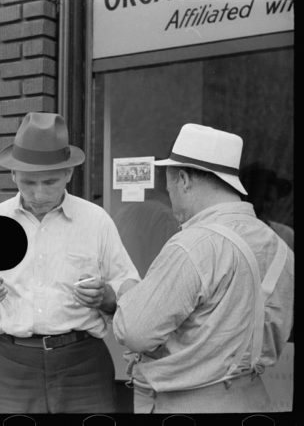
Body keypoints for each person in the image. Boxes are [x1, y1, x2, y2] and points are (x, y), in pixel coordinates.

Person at [0, 112, 141, 413]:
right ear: (13, 175)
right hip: (11, 366)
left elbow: (132, 293)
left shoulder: (95, 221)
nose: (39, 194)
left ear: (68, 173)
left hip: (83, 366)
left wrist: (107, 296)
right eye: (28, 182)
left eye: (50, 182)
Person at [113, 123, 294, 413]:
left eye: (169, 184)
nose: (169, 194)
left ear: (184, 179)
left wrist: (128, 291)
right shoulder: (280, 247)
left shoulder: (193, 245)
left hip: (188, 402)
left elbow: (135, 331)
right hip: (254, 397)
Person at [239, 162, 294, 250]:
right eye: (265, 198)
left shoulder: (286, 235)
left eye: (273, 201)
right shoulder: (233, 232)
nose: (269, 206)